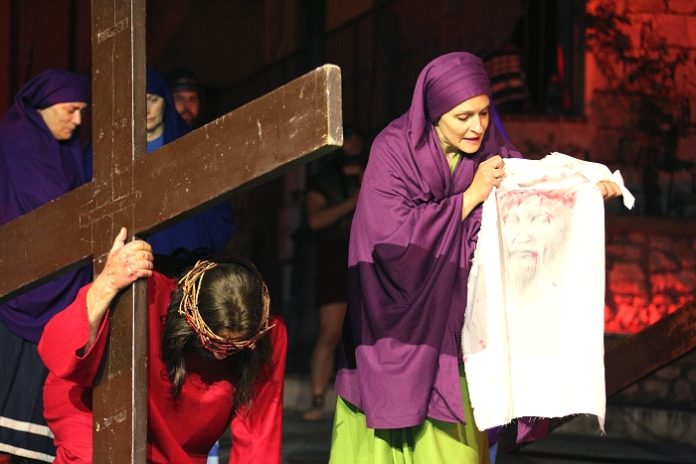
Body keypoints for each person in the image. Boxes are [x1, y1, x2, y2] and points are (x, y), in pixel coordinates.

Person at [329, 52, 621, 463]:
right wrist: (469, 197)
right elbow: (388, 237)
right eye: (463, 116)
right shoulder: (393, 149)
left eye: (484, 113)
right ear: (434, 113)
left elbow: (530, 200)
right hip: (392, 330)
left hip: (459, 334)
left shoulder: (493, 149)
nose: (477, 126)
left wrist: (586, 190)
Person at [38, 227, 287, 463]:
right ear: (190, 315)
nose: (223, 355)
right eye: (214, 343)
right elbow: (55, 348)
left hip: (179, 435)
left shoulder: (270, 335)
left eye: (236, 347)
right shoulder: (150, 294)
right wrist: (107, 283)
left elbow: (259, 435)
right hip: (98, 398)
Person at [0, 69, 92, 463]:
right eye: (71, 110)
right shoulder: (16, 139)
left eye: (82, 111)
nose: (78, 120)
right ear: (43, 106)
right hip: (17, 287)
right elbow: (48, 207)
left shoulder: (68, 149)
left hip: (61, 284)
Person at [301, 126, 365, 422]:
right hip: (334, 256)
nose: (353, 145)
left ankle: (363, 399)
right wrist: (354, 201)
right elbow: (315, 221)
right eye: (348, 139)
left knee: (365, 333)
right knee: (330, 332)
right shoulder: (323, 178)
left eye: (357, 140)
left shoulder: (371, 172)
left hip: (367, 255)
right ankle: (318, 399)